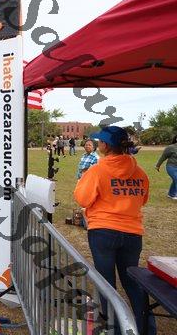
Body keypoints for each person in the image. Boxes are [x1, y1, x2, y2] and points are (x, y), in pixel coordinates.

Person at [74, 126, 156, 335]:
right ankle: (146, 328)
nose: (98, 144)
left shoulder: (97, 170)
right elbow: (143, 199)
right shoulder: (140, 172)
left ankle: (117, 330)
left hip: (103, 232)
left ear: (105, 145)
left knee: (106, 284)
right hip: (132, 233)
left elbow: (82, 199)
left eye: (100, 141)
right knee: (132, 282)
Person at [155, 134, 177, 200]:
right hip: (171, 167)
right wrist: (158, 165)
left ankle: (171, 194)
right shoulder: (171, 147)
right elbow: (163, 157)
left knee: (175, 180)